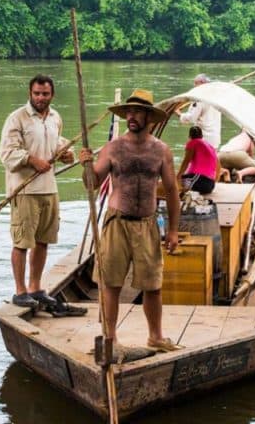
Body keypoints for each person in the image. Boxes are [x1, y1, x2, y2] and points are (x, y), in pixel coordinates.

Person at [78, 89, 182, 353]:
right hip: (117, 222)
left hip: (147, 223)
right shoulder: (114, 148)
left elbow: (171, 191)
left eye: (138, 112)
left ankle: (156, 337)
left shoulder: (161, 151)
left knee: (153, 284)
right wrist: (86, 165)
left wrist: (172, 231)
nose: (132, 117)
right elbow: (92, 184)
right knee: (110, 283)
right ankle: (109, 338)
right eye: (129, 112)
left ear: (149, 117)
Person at [0, 74, 75, 309]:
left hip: (48, 189)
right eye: (37, 94)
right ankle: (20, 291)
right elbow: (7, 153)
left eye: (45, 94)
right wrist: (32, 160)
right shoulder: (17, 118)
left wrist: (65, 153)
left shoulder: (55, 117)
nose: (41, 98)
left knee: (43, 241)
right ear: (30, 94)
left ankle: (36, 287)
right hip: (24, 190)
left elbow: (56, 143)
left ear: (52, 95)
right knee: (22, 242)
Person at [176, 73, 221, 149]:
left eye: (196, 83)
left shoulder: (199, 99)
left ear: (203, 83)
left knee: (200, 160)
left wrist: (179, 114)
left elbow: (191, 118)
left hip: (203, 138)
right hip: (214, 139)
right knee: (211, 159)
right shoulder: (216, 97)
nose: (194, 86)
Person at [177, 126, 217, 194]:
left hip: (200, 180)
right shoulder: (210, 146)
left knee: (171, 181)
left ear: (189, 136)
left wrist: (178, 176)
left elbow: (186, 161)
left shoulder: (192, 142)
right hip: (211, 184)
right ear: (201, 135)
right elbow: (218, 166)